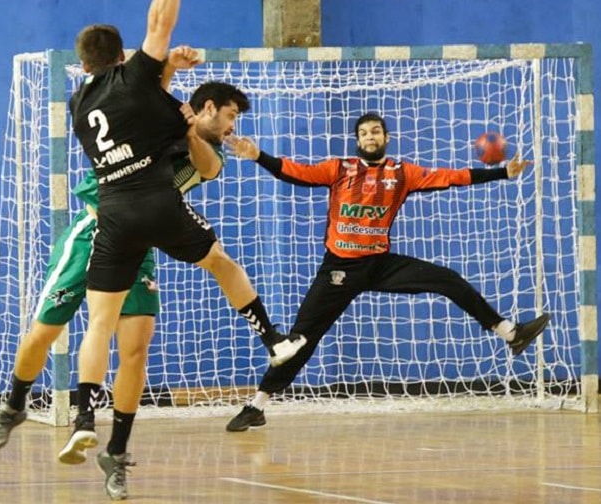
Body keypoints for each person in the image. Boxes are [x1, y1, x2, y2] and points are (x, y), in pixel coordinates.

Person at [66, 0, 305, 499]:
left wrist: (172, 68)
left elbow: (161, 98)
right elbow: (159, 23)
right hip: (155, 200)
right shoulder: (134, 82)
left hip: (114, 210)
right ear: (120, 57)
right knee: (221, 260)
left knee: (100, 322)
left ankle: (80, 418)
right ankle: (272, 339)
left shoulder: (80, 103)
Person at [0, 71, 251, 468]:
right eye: (230, 116)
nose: (232, 126)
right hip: (94, 229)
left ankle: (116, 449)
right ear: (207, 107)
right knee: (44, 332)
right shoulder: (155, 123)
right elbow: (146, 95)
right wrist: (162, 67)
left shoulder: (208, 152)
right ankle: (15, 404)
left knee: (136, 349)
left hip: (141, 243)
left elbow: (208, 169)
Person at [223, 112, 551, 432]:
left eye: (376, 131)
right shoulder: (339, 169)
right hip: (339, 269)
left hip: (380, 264)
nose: (370, 136)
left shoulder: (402, 173)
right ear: (357, 140)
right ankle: (258, 405)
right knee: (300, 340)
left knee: (447, 279)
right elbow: (295, 172)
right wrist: (258, 156)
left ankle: (510, 333)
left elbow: (450, 177)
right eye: (364, 132)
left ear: (386, 138)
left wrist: (502, 173)